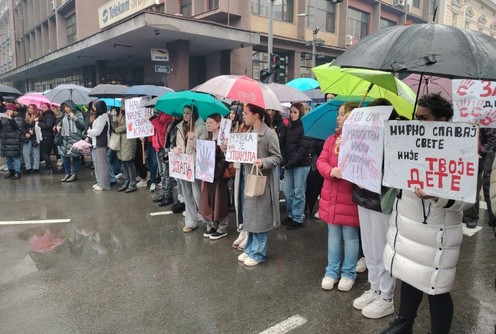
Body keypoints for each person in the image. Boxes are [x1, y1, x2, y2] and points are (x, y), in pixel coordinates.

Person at [380, 93, 472, 334]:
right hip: (408, 227)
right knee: (410, 275)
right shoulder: (410, 141)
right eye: (416, 117)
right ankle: (404, 322)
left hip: (435, 233)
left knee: (436, 289)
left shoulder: (461, 150)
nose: (417, 122)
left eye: (423, 118)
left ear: (441, 121)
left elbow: (466, 201)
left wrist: (437, 195)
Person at [351, 98, 400, 319]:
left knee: (381, 248)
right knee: (369, 247)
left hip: (381, 199)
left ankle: (387, 296)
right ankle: (374, 287)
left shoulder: (394, 140)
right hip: (363, 195)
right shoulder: (361, 136)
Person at [317, 101, 360, 292]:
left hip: (349, 196)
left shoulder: (361, 141)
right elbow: (321, 161)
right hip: (330, 195)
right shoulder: (330, 139)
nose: (339, 117)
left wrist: (349, 147)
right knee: (333, 236)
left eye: (343, 114)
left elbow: (363, 167)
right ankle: (332, 271)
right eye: (339, 114)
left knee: (350, 236)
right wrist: (330, 170)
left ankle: (349, 273)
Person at [237, 103, 282, 266]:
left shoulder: (269, 134)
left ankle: (259, 253)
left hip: (263, 181)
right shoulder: (247, 133)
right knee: (250, 216)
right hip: (249, 178)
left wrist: (263, 162)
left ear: (256, 115)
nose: (243, 115)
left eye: (246, 113)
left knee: (260, 218)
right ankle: (249, 249)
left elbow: (277, 158)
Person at [173, 105, 208, 233]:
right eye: (184, 113)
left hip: (195, 165)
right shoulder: (180, 127)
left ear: (193, 114)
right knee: (187, 195)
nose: (185, 115)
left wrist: (193, 139)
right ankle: (191, 222)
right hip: (184, 165)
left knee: (198, 194)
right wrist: (177, 149)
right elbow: (179, 144)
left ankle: (207, 222)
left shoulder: (201, 127)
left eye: (188, 113)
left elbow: (204, 149)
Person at [280, 102, 314, 230]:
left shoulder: (305, 126)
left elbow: (303, 149)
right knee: (287, 191)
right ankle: (291, 214)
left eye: (295, 112)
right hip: (289, 164)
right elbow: (282, 143)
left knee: (299, 192)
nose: (292, 114)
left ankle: (298, 217)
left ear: (300, 113)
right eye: (291, 112)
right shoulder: (288, 126)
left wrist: (290, 162)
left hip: (301, 164)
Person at [198, 113, 230, 240]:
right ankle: (213, 224)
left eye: (211, 122)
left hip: (219, 173)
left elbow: (226, 158)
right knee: (209, 199)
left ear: (218, 124)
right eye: (207, 122)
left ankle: (222, 227)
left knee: (220, 200)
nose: (208, 125)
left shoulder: (224, 139)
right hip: (208, 173)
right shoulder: (207, 138)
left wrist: (223, 151)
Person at [113, 98, 138, 193]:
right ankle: (126, 182)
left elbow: (128, 126)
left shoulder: (131, 113)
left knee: (129, 162)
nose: (122, 104)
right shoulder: (121, 113)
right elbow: (115, 127)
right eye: (122, 102)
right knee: (123, 162)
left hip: (129, 140)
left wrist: (117, 129)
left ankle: (132, 183)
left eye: (124, 102)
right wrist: (114, 119)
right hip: (121, 140)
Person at [56, 100, 85, 182]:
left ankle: (74, 173)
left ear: (72, 107)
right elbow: (60, 123)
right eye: (65, 107)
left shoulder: (78, 114)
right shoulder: (64, 115)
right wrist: (58, 126)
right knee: (65, 156)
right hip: (65, 138)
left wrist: (74, 118)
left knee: (75, 156)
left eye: (68, 107)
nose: (66, 109)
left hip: (75, 138)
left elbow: (82, 125)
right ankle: (67, 173)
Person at [86, 100, 111, 191]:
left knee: (102, 165)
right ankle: (100, 182)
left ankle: (104, 184)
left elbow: (97, 131)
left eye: (95, 106)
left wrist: (89, 131)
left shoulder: (102, 117)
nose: (94, 108)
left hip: (100, 143)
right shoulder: (101, 116)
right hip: (98, 143)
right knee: (99, 164)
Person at [0, 103, 23, 180]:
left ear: (14, 111)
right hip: (5, 141)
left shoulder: (18, 118)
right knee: (8, 157)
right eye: (7, 110)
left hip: (14, 141)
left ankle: (17, 172)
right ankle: (11, 171)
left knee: (15, 157)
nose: (8, 111)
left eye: (10, 110)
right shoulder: (4, 118)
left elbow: (17, 128)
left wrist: (11, 119)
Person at [21, 104, 42, 174]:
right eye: (29, 108)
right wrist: (26, 133)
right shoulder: (25, 117)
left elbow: (39, 128)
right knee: (25, 153)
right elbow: (22, 127)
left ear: (35, 109)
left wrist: (36, 122)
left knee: (35, 153)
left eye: (32, 108)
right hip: (27, 137)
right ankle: (28, 167)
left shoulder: (38, 117)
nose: (30, 109)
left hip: (35, 138)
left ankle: (36, 168)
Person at [37, 103, 55, 175]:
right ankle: (48, 167)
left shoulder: (49, 116)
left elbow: (48, 125)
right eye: (42, 107)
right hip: (45, 136)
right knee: (46, 153)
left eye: (45, 107)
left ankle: (50, 167)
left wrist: (39, 123)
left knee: (44, 153)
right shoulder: (45, 115)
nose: (43, 108)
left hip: (47, 136)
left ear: (48, 108)